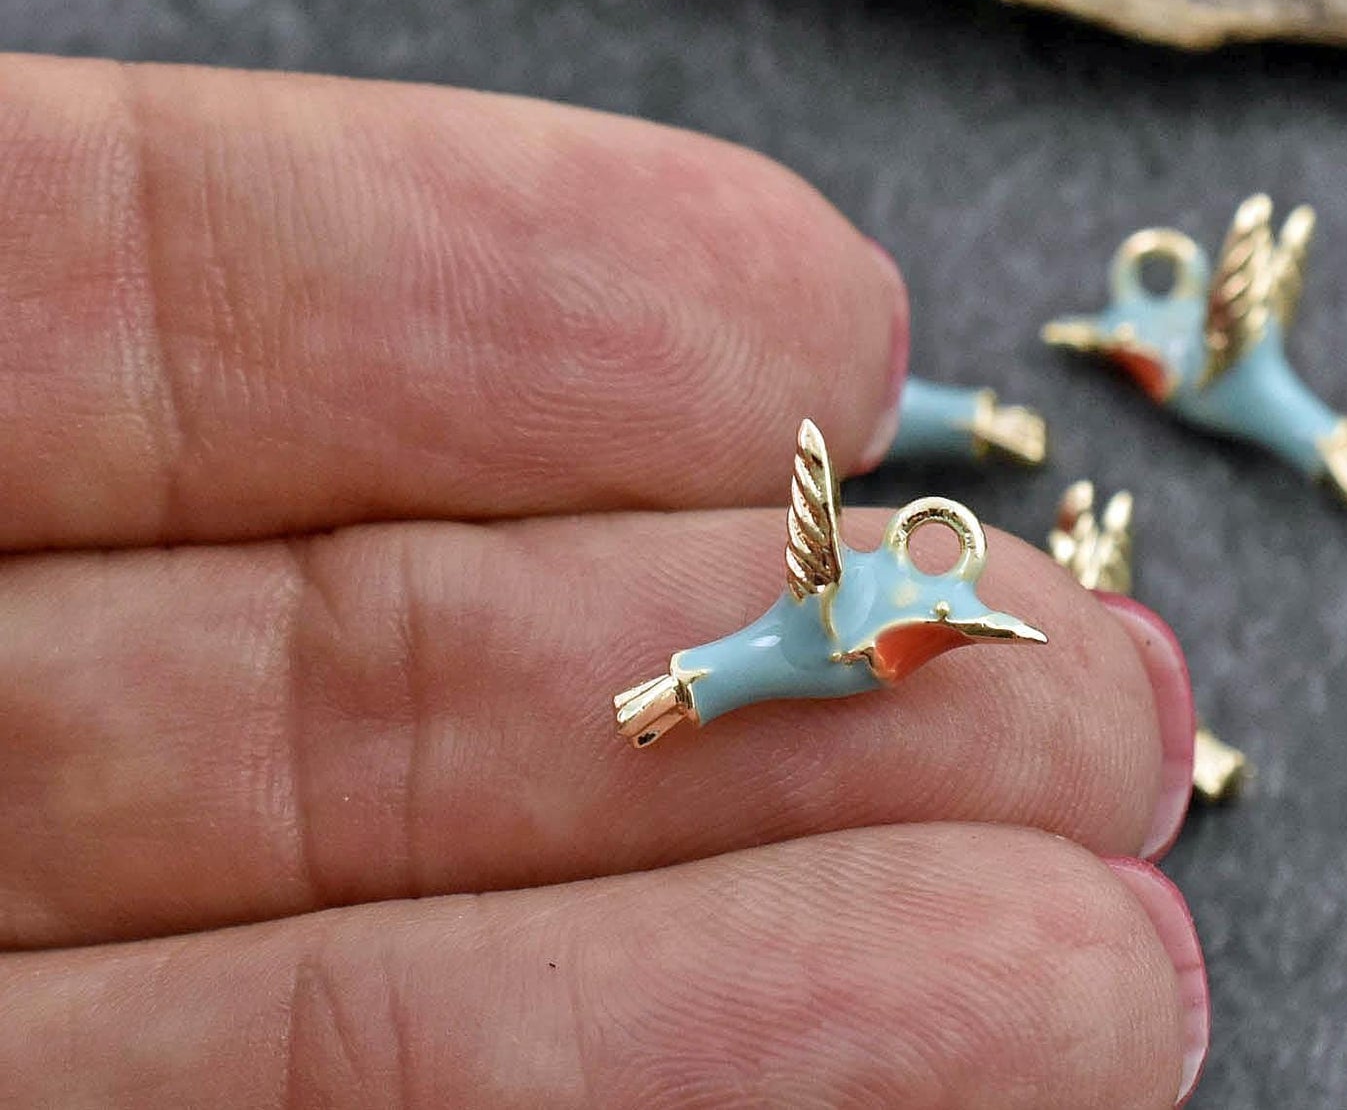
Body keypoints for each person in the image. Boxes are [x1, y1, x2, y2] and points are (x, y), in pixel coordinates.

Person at [0, 55, 1207, 1107]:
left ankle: (699, 673)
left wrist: (941, 607)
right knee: (722, 677)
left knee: (728, 678)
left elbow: (933, 617)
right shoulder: (854, 617)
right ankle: (694, 676)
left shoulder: (871, 621)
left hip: (784, 646)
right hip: (769, 649)